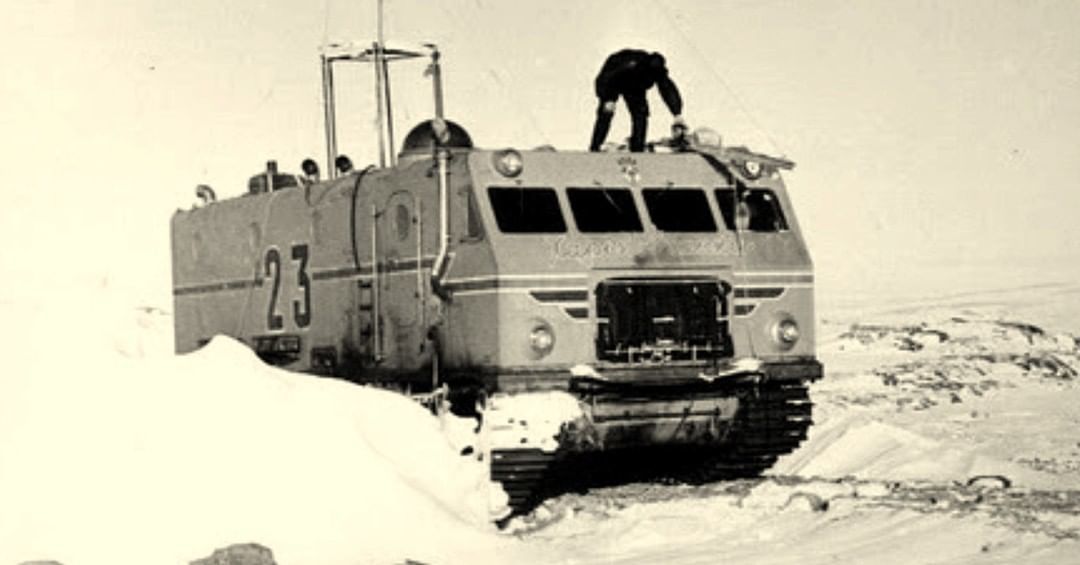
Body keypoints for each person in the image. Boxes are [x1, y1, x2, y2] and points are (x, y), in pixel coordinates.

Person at [589, 49, 687, 152]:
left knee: (641, 113)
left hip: (636, 85)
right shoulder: (628, 66)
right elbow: (605, 79)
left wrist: (677, 113)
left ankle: (637, 148)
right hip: (614, 80)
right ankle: (595, 146)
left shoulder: (657, 70)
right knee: (606, 112)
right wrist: (608, 98)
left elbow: (667, 89)